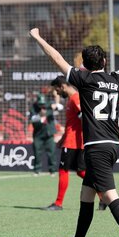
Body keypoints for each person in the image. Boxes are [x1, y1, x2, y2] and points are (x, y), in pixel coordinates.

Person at [30, 27, 119, 237]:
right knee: (86, 195)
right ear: (104, 61)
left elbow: (57, 58)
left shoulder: (83, 79)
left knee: (109, 195)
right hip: (112, 144)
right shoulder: (116, 80)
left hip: (98, 147)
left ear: (84, 64)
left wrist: (38, 37)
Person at [42, 76, 86, 211]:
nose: (57, 93)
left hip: (74, 143)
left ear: (62, 86)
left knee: (63, 170)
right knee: (81, 172)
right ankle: (103, 195)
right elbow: (72, 124)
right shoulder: (71, 99)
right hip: (72, 141)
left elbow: (85, 118)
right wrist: (62, 139)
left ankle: (58, 203)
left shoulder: (75, 98)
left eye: (57, 90)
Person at [30, 93, 60, 176]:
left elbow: (60, 107)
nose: (42, 106)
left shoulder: (49, 104)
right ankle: (37, 170)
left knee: (52, 152)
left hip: (49, 134)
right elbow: (32, 119)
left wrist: (56, 105)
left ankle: (52, 170)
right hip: (38, 134)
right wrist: (40, 115)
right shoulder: (33, 107)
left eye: (43, 104)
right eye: (40, 104)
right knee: (37, 152)